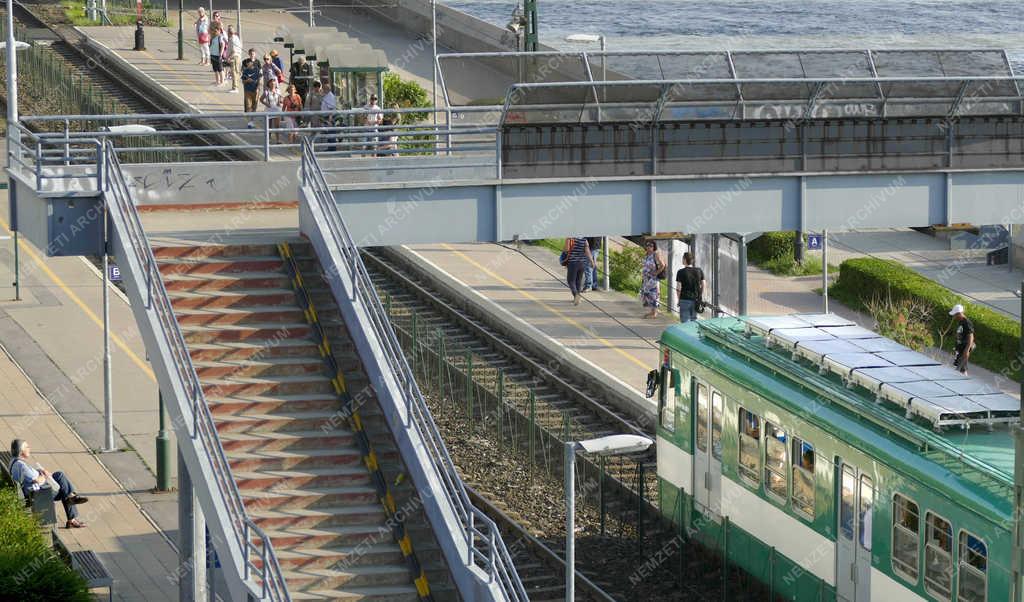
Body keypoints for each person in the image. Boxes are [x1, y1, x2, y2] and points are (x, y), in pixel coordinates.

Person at [9, 439, 88, 528]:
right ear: (21, 451)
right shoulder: (21, 465)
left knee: (59, 475)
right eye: (27, 447)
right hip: (37, 494)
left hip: (32, 490)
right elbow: (38, 481)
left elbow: (29, 476)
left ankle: (71, 498)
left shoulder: (14, 461)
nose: (29, 448)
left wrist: (40, 470)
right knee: (64, 490)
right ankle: (71, 510)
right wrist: (45, 476)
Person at [563, 237, 595, 306]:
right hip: (582, 263)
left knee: (570, 281)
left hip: (573, 263)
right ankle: (577, 297)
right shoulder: (584, 239)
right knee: (578, 282)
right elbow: (587, 251)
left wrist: (566, 242)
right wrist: (592, 261)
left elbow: (566, 250)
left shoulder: (570, 238)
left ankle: (576, 296)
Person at [675, 251, 705, 323]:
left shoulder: (680, 272)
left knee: (685, 322)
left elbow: (678, 288)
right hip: (696, 300)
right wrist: (700, 295)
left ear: (685, 260)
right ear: (692, 260)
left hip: (684, 299)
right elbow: (703, 284)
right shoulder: (699, 270)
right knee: (694, 321)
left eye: (682, 258)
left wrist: (679, 300)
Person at [640, 240, 666, 319]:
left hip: (653, 279)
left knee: (654, 295)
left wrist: (656, 272)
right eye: (647, 245)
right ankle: (652, 311)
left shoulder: (655, 254)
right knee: (648, 295)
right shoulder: (647, 255)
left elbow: (663, 265)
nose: (648, 247)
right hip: (646, 279)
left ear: (654, 247)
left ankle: (654, 313)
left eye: (651, 245)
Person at [950, 304, 975, 374]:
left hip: (965, 348)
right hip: (961, 349)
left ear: (959, 314)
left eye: (955, 315)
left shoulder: (967, 323)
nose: (954, 317)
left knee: (960, 369)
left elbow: (971, 337)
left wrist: (967, 350)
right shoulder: (961, 322)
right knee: (960, 368)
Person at [261, 78, 283, 143]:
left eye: (274, 82)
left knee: (277, 126)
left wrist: (280, 102)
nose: (273, 84)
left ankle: (278, 140)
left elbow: (280, 100)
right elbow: (261, 99)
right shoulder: (266, 92)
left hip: (277, 110)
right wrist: (266, 104)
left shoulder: (278, 91)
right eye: (271, 83)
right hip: (269, 110)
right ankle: (268, 139)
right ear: (269, 84)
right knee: (269, 126)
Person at [241, 58, 261, 127]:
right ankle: (250, 122)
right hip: (248, 91)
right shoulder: (245, 71)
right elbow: (243, 81)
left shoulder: (257, 70)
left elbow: (259, 80)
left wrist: (257, 88)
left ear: (251, 63)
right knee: (248, 106)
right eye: (246, 64)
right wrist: (247, 81)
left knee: (254, 106)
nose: (247, 65)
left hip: (255, 91)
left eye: (248, 63)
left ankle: (252, 120)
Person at [223, 25, 243, 93]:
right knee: (234, 72)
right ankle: (234, 87)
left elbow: (234, 50)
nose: (228, 32)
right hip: (235, 56)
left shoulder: (233, 39)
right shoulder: (234, 38)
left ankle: (235, 88)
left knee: (234, 72)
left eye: (229, 31)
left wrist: (228, 57)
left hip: (234, 57)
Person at [321, 83, 338, 151]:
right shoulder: (327, 95)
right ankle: (330, 147)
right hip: (326, 116)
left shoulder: (330, 96)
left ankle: (332, 148)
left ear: (327, 89)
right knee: (329, 132)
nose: (323, 89)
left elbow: (331, 108)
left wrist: (329, 119)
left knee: (331, 132)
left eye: (324, 88)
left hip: (329, 117)